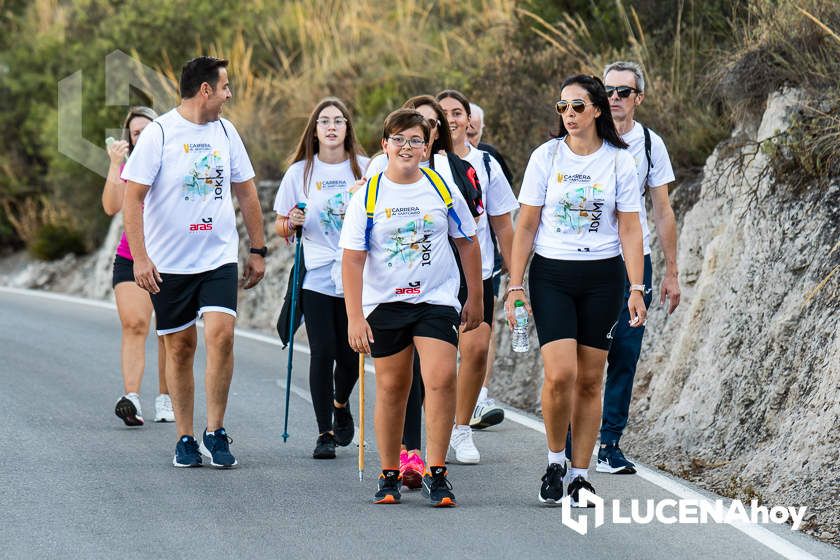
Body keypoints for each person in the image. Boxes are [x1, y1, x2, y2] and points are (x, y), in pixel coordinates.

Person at [505, 74, 646, 506]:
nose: (568, 114)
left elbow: (629, 227)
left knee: (589, 381)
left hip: (603, 276)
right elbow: (525, 224)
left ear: (597, 110)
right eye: (562, 107)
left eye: (577, 106)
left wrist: (636, 287)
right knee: (560, 373)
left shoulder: (620, 160)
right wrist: (514, 286)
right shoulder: (546, 157)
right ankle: (554, 460)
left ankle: (581, 476)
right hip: (553, 274)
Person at [122, 56, 266, 469]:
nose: (229, 94)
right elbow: (133, 197)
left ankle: (215, 430)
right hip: (169, 264)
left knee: (221, 335)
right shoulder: (161, 133)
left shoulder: (225, 131)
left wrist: (257, 249)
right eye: (225, 87)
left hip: (217, 257)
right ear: (206, 90)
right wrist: (141, 258)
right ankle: (185, 437)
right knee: (181, 348)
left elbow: (247, 191)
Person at [340, 108, 482, 506]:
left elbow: (468, 242)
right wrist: (354, 317)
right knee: (392, 388)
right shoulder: (368, 194)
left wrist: (474, 297)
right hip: (385, 302)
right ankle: (389, 473)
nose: (406, 146)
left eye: (415, 140)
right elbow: (352, 259)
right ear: (384, 146)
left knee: (440, 379)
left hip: (435, 299)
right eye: (398, 139)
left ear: (426, 146)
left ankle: (437, 472)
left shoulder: (441, 187)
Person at [593, 60, 680, 473]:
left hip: (633, 262)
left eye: (622, 92)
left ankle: (609, 443)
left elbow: (662, 210)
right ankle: (571, 439)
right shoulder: (586, 138)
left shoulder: (650, 144)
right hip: (587, 262)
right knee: (586, 352)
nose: (614, 98)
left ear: (638, 98)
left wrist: (672, 271)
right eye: (608, 90)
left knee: (625, 352)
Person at [273, 97, 369, 460]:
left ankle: (340, 402)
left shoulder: (363, 169)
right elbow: (281, 223)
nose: (331, 127)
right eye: (324, 121)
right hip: (315, 273)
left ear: (348, 128)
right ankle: (324, 431)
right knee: (323, 352)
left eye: (338, 121)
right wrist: (290, 222)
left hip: (355, 275)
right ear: (314, 129)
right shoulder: (299, 173)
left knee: (349, 354)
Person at [436, 90, 518, 464]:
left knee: (477, 350)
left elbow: (504, 226)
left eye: (458, 112)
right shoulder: (422, 160)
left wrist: (516, 280)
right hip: (432, 277)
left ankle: (462, 428)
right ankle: (423, 431)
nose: (451, 119)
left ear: (470, 120)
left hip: (477, 273)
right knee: (434, 362)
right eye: (444, 113)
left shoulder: (485, 164)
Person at [102, 106, 174, 426]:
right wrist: (115, 165)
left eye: (148, 130)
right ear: (128, 139)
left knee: (168, 331)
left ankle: (166, 399)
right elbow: (111, 207)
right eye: (135, 133)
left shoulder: (173, 163)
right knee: (134, 325)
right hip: (131, 257)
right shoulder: (128, 167)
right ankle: (132, 398)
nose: (142, 136)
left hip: (173, 259)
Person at [466, 102, 514, 430]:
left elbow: (503, 218)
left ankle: (479, 397)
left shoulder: (489, 159)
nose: (467, 131)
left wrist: (514, 272)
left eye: (474, 128)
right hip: (442, 266)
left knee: (484, 332)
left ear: (482, 129)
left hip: (486, 261)